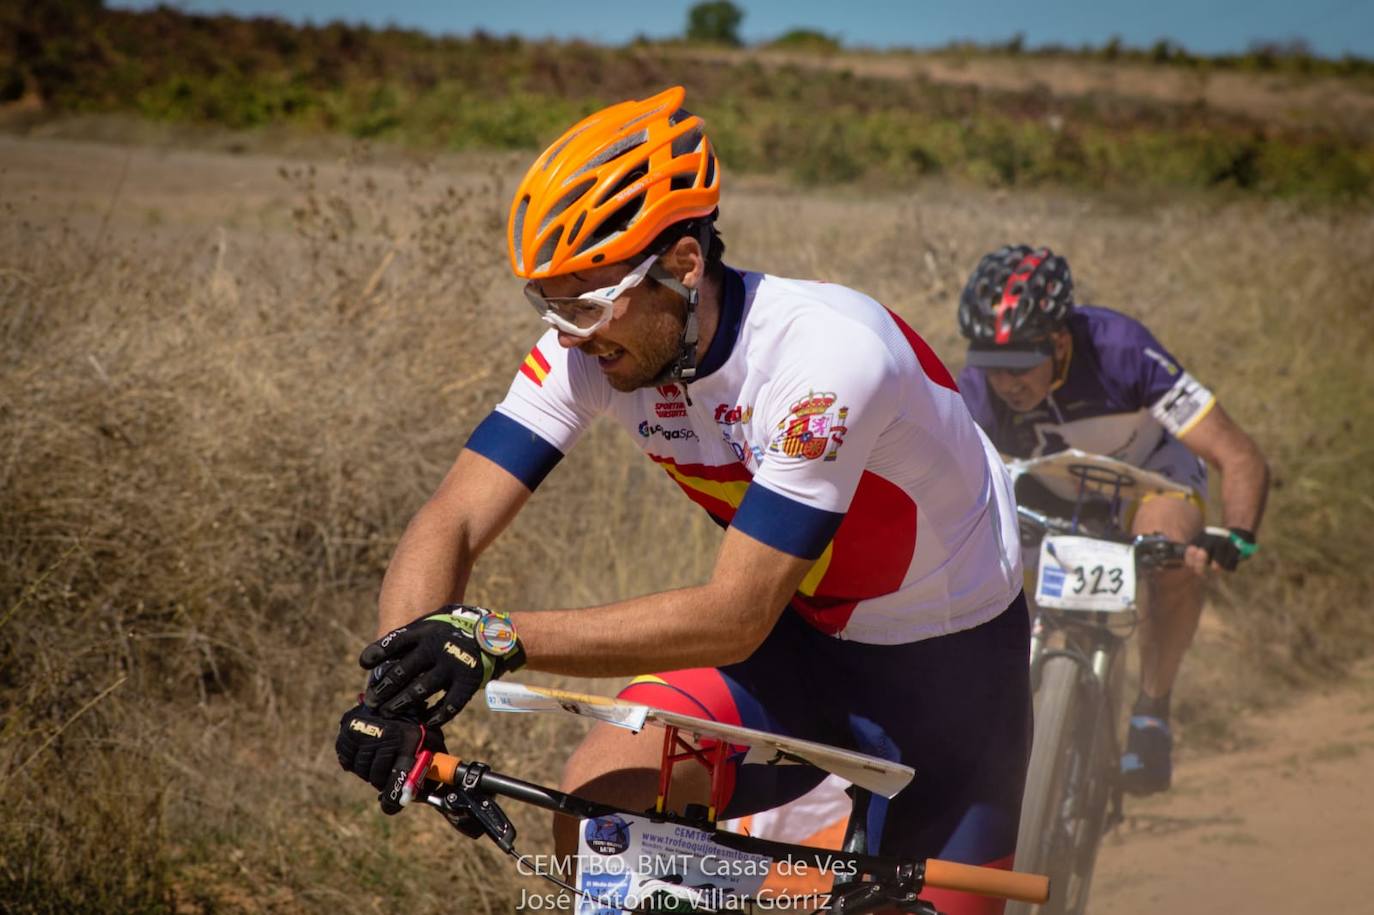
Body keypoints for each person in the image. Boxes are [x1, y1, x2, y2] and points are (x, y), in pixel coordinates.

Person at [336, 86, 1029, 915]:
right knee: (602, 815)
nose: (569, 333)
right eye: (549, 303)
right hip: (797, 641)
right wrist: (397, 685)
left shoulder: (826, 357)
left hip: (948, 669)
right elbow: (453, 515)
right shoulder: (596, 347)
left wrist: (492, 639)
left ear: (685, 265)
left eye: (587, 302)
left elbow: (734, 612)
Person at [955, 244, 1270, 795]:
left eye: (1020, 364)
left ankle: (1152, 709)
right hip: (1052, 483)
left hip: (1148, 479)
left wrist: (1237, 537)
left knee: (1172, 552)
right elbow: (953, 477)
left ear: (1059, 340)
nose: (1008, 384)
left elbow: (1237, 454)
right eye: (993, 365)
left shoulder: (1122, 350)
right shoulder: (981, 386)